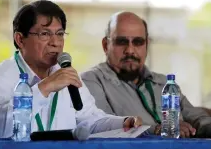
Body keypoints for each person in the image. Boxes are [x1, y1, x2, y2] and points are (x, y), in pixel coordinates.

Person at [0, 1, 142, 138]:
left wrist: (123, 122)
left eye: (60, 34)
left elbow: (91, 121)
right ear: (20, 39)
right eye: (45, 34)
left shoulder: (65, 74)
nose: (55, 42)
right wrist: (46, 87)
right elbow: (1, 130)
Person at [81, 11, 211, 138]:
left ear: (147, 44)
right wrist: (157, 130)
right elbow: (102, 125)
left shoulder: (163, 83)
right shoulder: (91, 81)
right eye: (121, 42)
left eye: (138, 42)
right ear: (105, 45)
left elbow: (198, 118)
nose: (130, 50)